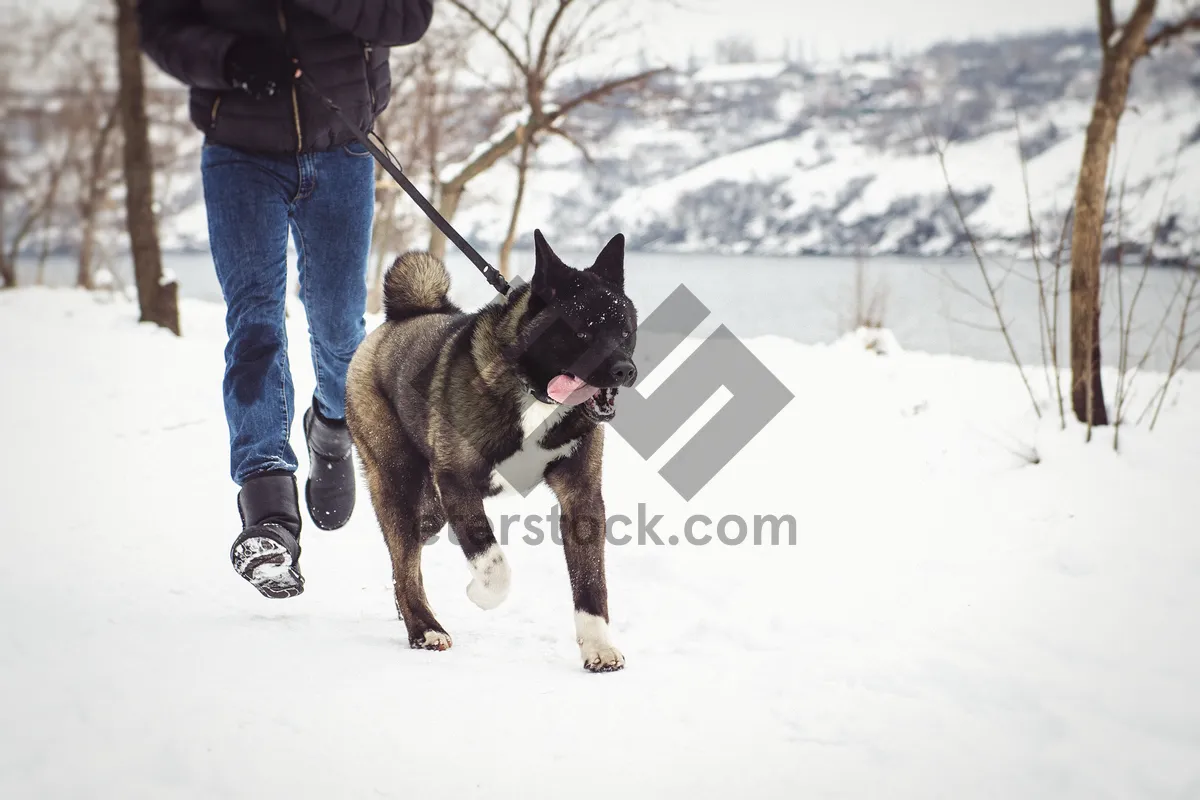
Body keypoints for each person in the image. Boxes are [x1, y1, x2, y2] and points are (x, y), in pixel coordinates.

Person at [138, 0, 434, 598]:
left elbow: (409, 18)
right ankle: (269, 514)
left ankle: (331, 430)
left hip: (342, 145)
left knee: (338, 328)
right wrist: (231, 58)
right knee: (255, 327)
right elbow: (161, 28)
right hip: (238, 152)